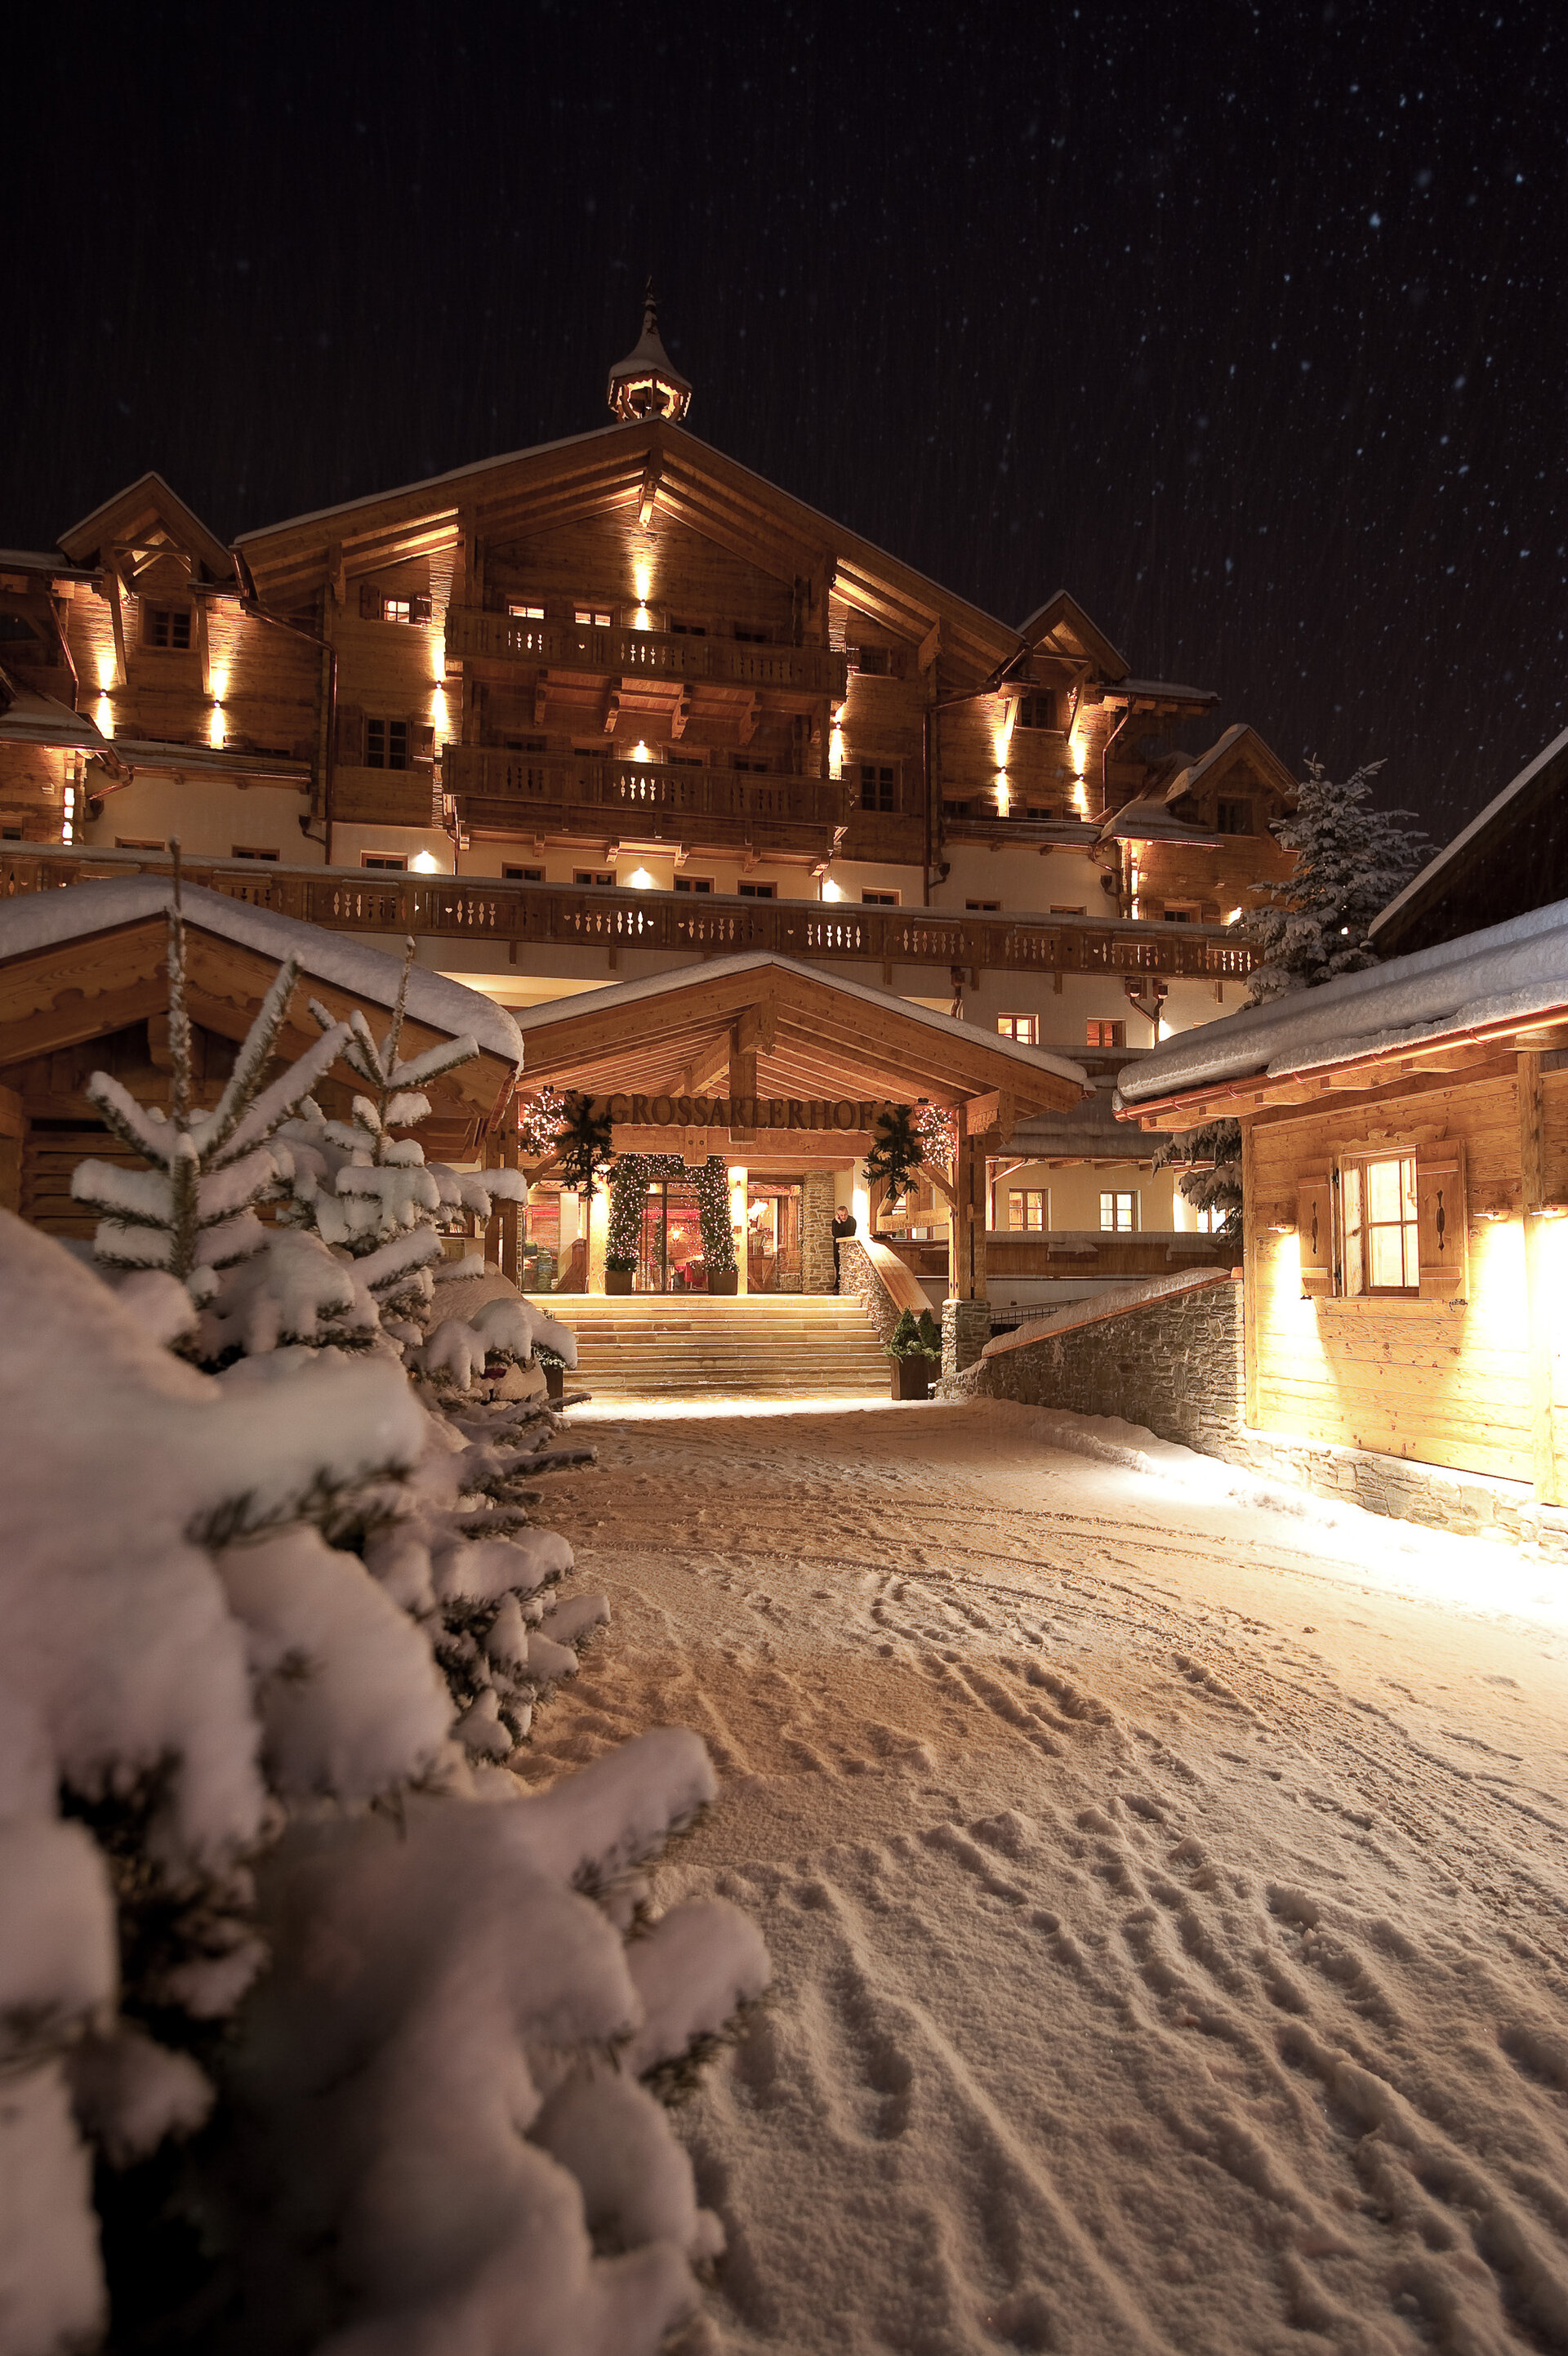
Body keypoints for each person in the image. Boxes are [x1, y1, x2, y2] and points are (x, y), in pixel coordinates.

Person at [831, 1202, 857, 1293]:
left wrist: (840, 1225)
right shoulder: (835, 1222)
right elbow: (836, 1234)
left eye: (845, 1214)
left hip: (848, 1246)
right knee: (837, 1264)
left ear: (848, 1213)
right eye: (841, 1215)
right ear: (838, 1215)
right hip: (837, 1246)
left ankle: (837, 1287)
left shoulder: (852, 1221)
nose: (844, 1217)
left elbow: (849, 1233)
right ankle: (837, 1285)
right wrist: (838, 1222)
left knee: (845, 1265)